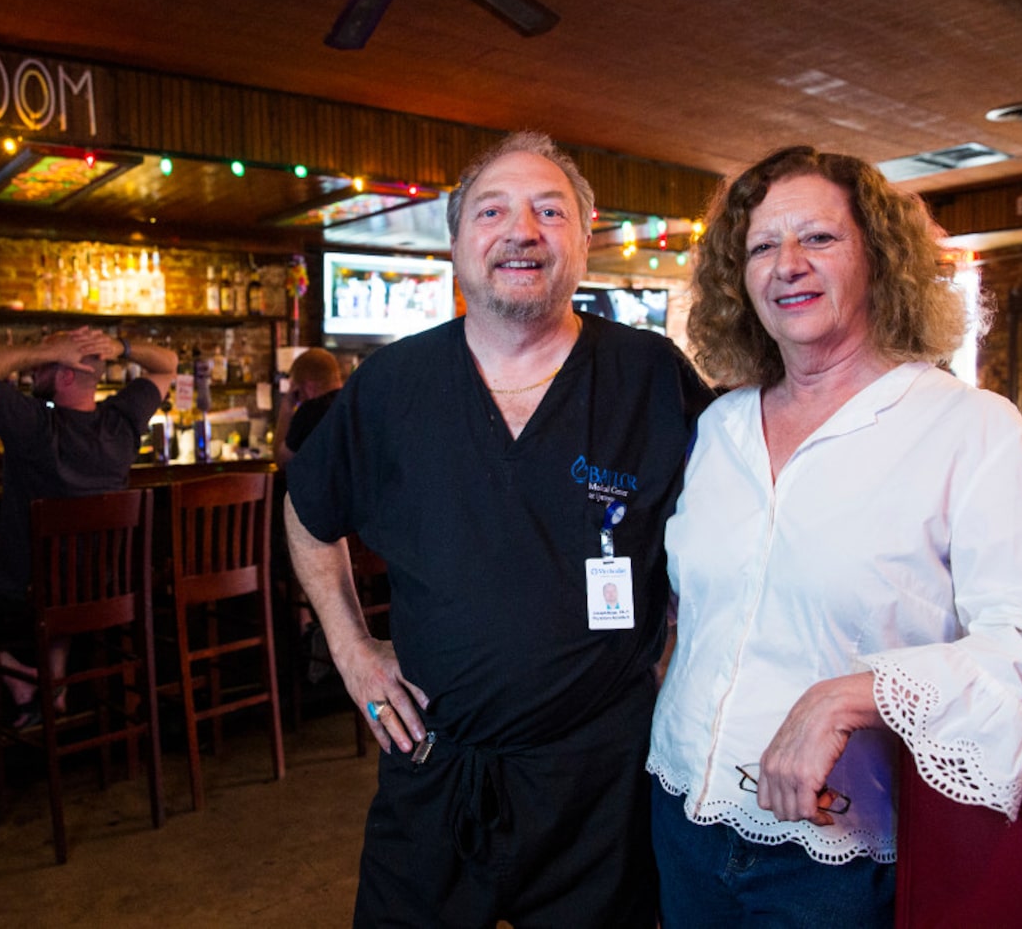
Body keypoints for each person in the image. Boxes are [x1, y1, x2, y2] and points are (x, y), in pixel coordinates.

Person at [646, 145, 1022, 926]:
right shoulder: (718, 426)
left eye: (818, 239)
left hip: (837, 857)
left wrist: (849, 697)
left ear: (879, 259)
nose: (786, 264)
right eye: (762, 245)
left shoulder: (968, 431)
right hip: (678, 813)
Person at [285, 131, 711, 926]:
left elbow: (736, 523)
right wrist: (351, 652)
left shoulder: (649, 374)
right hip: (433, 768)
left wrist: (689, 656)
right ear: (455, 243)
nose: (521, 230)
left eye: (549, 210)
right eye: (492, 210)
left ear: (585, 238)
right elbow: (307, 512)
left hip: (603, 784)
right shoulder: (391, 385)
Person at [0, 326, 176, 725]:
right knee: (64, 582)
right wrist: (122, 348)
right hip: (101, 589)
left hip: (30, 590)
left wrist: (41, 350)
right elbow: (169, 365)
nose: (33, 376)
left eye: (44, 367)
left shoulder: (32, 426)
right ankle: (54, 683)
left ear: (63, 374)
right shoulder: (121, 422)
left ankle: (25, 678)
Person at [272, 346, 344, 468]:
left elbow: (282, 461)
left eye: (297, 392)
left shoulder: (310, 412)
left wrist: (286, 408)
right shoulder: (359, 403)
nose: (299, 399)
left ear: (308, 388)